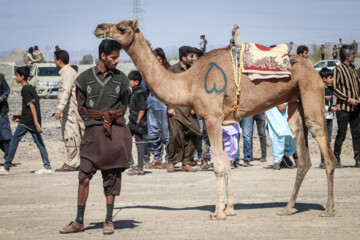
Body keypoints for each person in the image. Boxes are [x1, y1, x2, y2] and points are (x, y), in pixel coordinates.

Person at [59, 40, 132, 235]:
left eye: (118, 57)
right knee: (83, 176)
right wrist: (99, 117)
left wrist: (110, 117)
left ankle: (108, 220)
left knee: (111, 178)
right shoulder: (84, 79)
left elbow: (124, 106)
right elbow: (82, 108)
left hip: (114, 133)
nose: (117, 61)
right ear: (103, 56)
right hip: (92, 134)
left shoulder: (121, 80)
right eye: (113, 58)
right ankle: (79, 221)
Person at [0, 67, 52, 175]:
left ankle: (6, 167)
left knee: (14, 141)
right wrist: (18, 115)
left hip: (27, 122)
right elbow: (28, 107)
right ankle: (47, 166)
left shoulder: (25, 89)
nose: (15, 77)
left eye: (17, 75)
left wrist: (36, 123)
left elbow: (32, 107)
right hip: (29, 119)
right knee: (39, 142)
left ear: (22, 77)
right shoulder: (30, 87)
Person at [166, 46, 201, 172]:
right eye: (191, 56)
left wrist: (195, 106)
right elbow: (168, 89)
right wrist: (170, 106)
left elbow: (197, 89)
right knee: (175, 135)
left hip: (189, 108)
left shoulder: (193, 70)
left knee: (192, 133)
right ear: (183, 57)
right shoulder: (173, 69)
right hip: (175, 107)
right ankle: (172, 161)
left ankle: (186, 162)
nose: (193, 58)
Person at [53, 50, 85, 172]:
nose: (53, 61)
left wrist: (59, 108)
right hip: (69, 109)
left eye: (54, 59)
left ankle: (72, 162)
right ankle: (77, 161)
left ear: (59, 60)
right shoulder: (67, 72)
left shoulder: (67, 73)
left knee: (70, 135)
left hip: (70, 110)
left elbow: (66, 91)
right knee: (72, 135)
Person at [332, 44, 360, 168]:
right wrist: (348, 99)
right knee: (341, 135)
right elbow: (334, 88)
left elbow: (358, 85)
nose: (354, 56)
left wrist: (358, 97)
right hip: (343, 108)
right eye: (353, 54)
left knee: (357, 134)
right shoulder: (338, 69)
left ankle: (358, 159)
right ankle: (336, 158)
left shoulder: (354, 68)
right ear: (347, 55)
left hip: (356, 108)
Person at [145, 48, 170, 169]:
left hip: (164, 103)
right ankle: (157, 158)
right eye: (155, 59)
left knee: (166, 132)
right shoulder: (148, 71)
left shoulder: (168, 71)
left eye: (159, 59)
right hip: (151, 102)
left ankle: (169, 158)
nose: (157, 61)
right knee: (153, 132)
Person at [127, 70, 149, 175]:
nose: (129, 82)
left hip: (138, 123)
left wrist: (138, 121)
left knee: (139, 144)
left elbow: (142, 108)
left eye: (130, 81)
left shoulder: (140, 93)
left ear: (136, 82)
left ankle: (140, 168)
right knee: (124, 139)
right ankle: (132, 163)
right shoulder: (133, 92)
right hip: (132, 122)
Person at [318, 68, 340, 169]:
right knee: (323, 140)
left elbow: (331, 102)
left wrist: (335, 106)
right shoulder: (319, 90)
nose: (332, 79)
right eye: (330, 77)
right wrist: (329, 108)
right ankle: (323, 161)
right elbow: (319, 104)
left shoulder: (331, 90)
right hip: (322, 118)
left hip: (330, 118)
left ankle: (327, 160)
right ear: (324, 78)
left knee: (329, 140)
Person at [265, 103, 296, 170]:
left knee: (291, 134)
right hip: (273, 104)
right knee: (278, 134)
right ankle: (277, 161)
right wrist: (279, 103)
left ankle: (285, 156)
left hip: (288, 104)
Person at [0, 73, 12, 164]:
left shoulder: (1, 77)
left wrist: (2, 98)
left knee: (5, 135)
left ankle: (8, 157)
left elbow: (7, 90)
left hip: (1, 111)